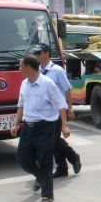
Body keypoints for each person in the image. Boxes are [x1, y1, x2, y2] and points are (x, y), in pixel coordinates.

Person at [10, 55, 70, 202]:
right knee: (23, 159)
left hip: (45, 127)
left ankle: (47, 194)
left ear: (29, 67)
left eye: (20, 65)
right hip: (28, 128)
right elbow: (21, 106)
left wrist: (64, 125)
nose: (19, 68)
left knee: (45, 160)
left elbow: (60, 104)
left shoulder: (48, 83)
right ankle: (40, 177)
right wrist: (16, 123)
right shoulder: (24, 84)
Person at [33, 43, 81, 178]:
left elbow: (67, 90)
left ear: (47, 53)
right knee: (52, 140)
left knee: (53, 139)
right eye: (35, 53)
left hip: (58, 110)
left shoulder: (57, 70)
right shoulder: (37, 70)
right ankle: (62, 168)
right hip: (44, 112)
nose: (36, 55)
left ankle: (73, 157)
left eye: (39, 53)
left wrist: (69, 109)